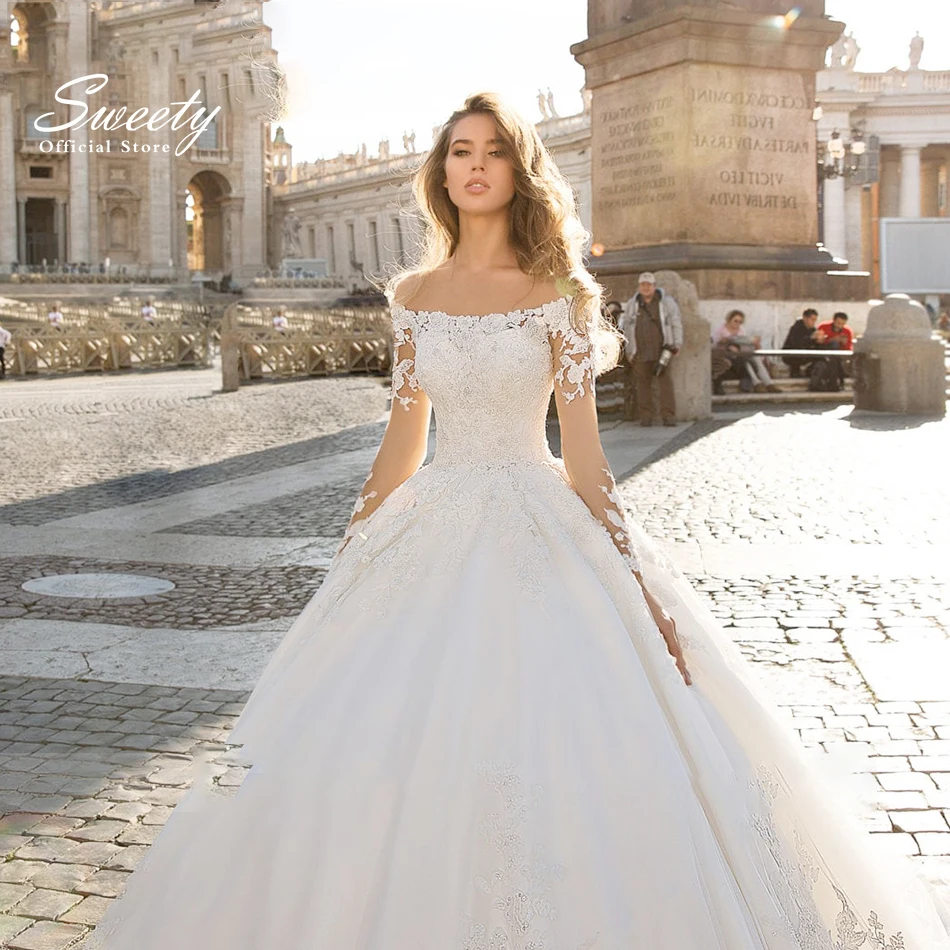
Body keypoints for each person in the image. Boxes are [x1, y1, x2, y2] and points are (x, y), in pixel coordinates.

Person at [84, 93, 950, 950]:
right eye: (459, 150)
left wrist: (639, 587)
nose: (474, 166)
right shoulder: (413, 292)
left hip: (540, 520)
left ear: (520, 169)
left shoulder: (561, 294)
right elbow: (405, 433)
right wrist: (357, 544)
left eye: (493, 151)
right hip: (433, 522)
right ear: (442, 170)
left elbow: (584, 457)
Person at [619, 272, 682, 426]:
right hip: (639, 351)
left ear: (654, 286)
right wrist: (628, 350)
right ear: (639, 287)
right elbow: (627, 327)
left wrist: (677, 343)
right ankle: (645, 417)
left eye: (648, 285)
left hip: (662, 349)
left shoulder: (666, 303)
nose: (646, 288)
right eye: (643, 285)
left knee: (666, 385)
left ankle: (669, 416)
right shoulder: (633, 304)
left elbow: (675, 322)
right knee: (642, 386)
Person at [714, 309, 780, 392]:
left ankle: (769, 384)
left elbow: (744, 342)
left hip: (741, 353)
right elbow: (717, 346)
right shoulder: (721, 330)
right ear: (729, 320)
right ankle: (756, 383)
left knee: (756, 359)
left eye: (740, 322)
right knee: (746, 361)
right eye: (735, 321)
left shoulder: (741, 330)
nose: (737, 324)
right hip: (729, 358)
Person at [782, 307, 821, 377]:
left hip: (805, 354)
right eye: (812, 319)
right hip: (791, 355)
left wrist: (819, 341)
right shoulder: (796, 328)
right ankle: (795, 372)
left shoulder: (813, 330)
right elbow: (796, 343)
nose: (813, 322)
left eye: (815, 320)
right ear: (805, 318)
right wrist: (810, 338)